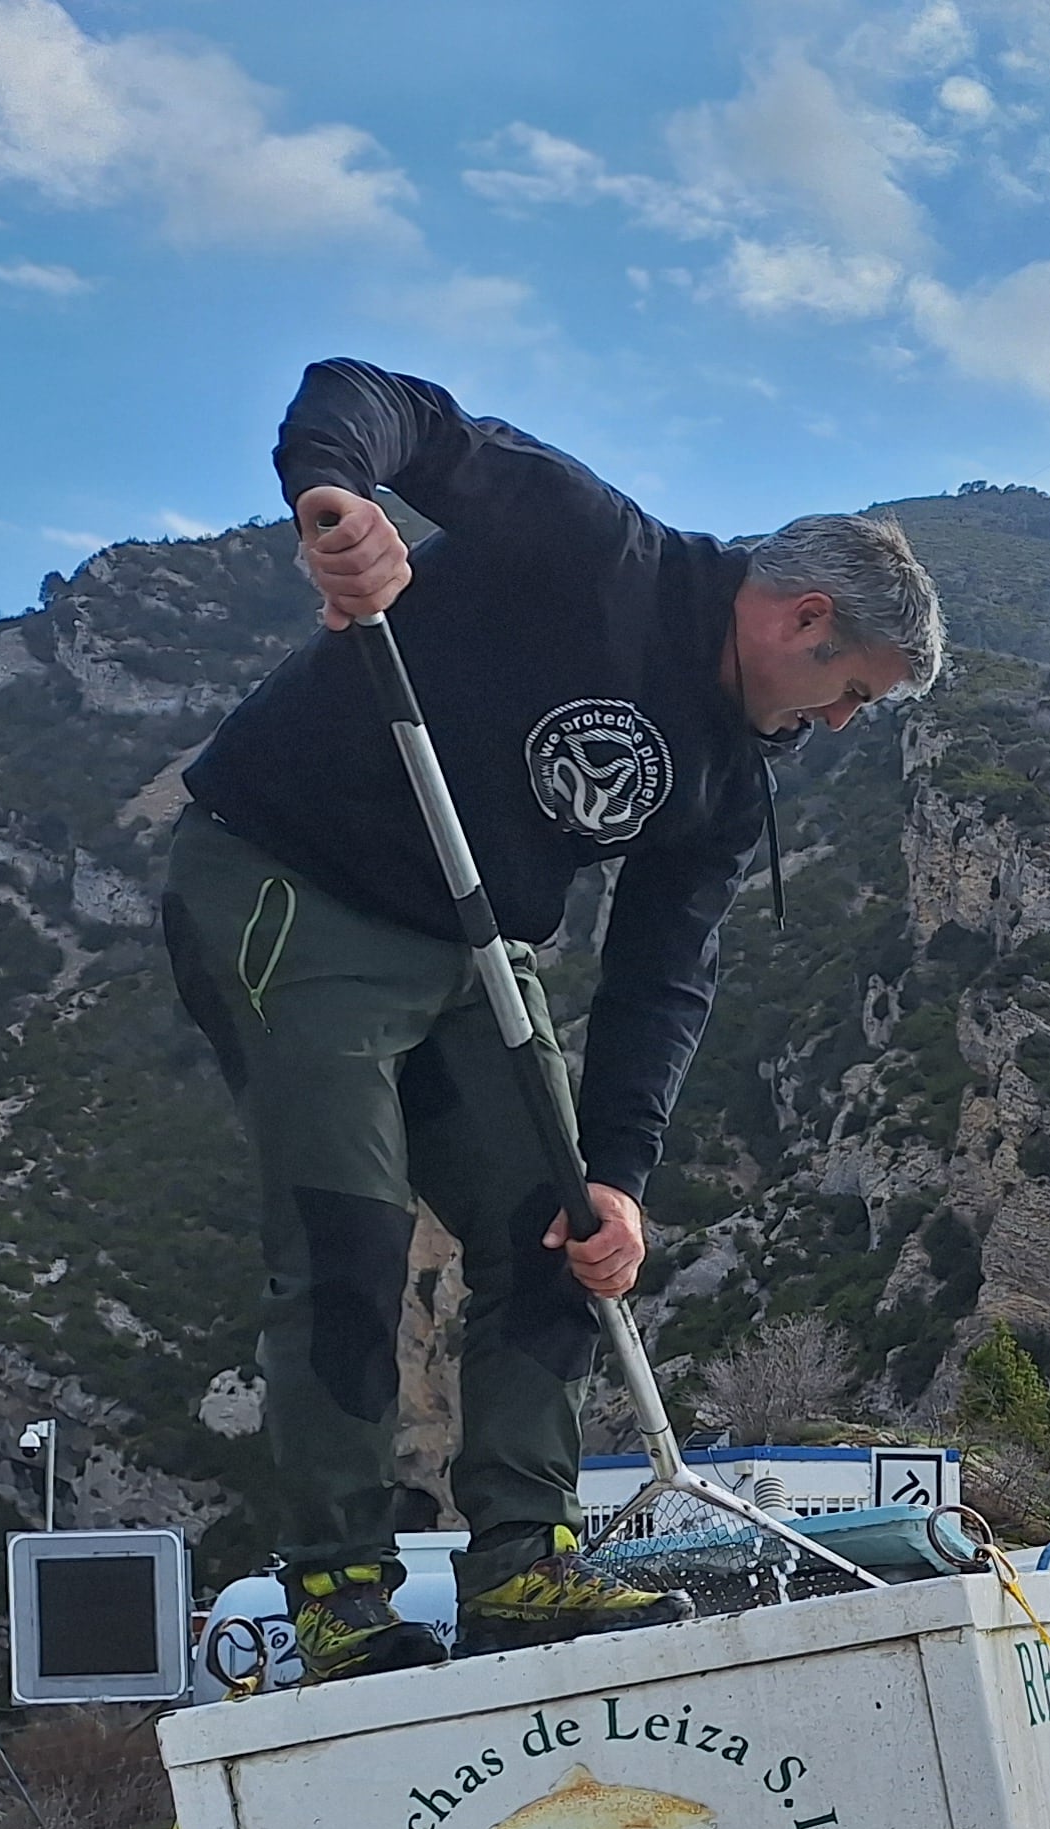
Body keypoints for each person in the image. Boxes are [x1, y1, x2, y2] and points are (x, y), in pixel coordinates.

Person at [161, 359, 943, 1679]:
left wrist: (622, 1180)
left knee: (563, 1232)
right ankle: (342, 1589)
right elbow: (375, 399)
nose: (843, 722)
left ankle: (519, 1565)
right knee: (349, 1234)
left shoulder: (735, 767)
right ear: (803, 617)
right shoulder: (600, 551)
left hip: (474, 942)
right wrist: (336, 501)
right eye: (850, 689)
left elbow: (661, 977)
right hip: (289, 881)